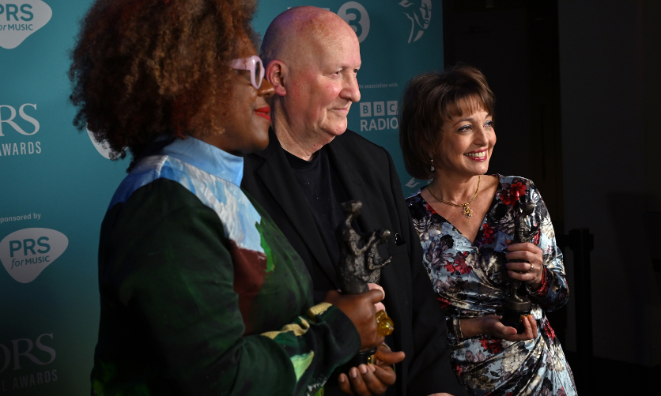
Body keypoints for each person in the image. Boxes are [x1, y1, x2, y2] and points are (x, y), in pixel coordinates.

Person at [69, 1, 386, 395]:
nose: (269, 87)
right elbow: (219, 379)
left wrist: (340, 335)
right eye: (252, 71)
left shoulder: (211, 188)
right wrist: (337, 330)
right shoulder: (164, 206)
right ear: (191, 81)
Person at [241, 6, 466, 396]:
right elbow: (243, 313)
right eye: (336, 73)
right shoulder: (233, 179)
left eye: (355, 72)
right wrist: (346, 350)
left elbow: (414, 293)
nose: (355, 92)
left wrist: (437, 388)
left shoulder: (373, 163)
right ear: (278, 77)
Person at [399, 66, 577, 396]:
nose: (484, 139)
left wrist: (538, 275)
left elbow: (558, 295)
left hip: (541, 378)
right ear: (427, 140)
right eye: (465, 128)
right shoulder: (406, 220)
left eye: (488, 123)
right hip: (457, 385)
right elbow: (407, 325)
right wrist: (475, 327)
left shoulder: (520, 195)